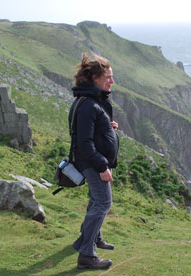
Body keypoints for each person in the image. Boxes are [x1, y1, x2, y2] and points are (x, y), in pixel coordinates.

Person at [70, 52, 119, 270]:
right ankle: (86, 254)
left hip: (93, 161)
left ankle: (93, 238)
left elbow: (91, 131)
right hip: (93, 163)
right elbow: (84, 143)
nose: (111, 81)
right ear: (94, 79)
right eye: (107, 76)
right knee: (103, 203)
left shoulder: (91, 101)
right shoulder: (89, 105)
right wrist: (101, 166)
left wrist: (108, 126)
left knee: (94, 201)